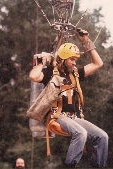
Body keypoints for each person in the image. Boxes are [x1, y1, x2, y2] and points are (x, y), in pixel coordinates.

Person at [29, 28, 108, 168]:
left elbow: (98, 64)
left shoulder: (75, 74)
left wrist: (86, 42)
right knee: (81, 133)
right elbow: (34, 76)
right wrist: (41, 62)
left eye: (76, 60)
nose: (74, 62)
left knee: (102, 137)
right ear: (64, 59)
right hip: (55, 116)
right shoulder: (50, 73)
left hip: (71, 118)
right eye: (72, 59)